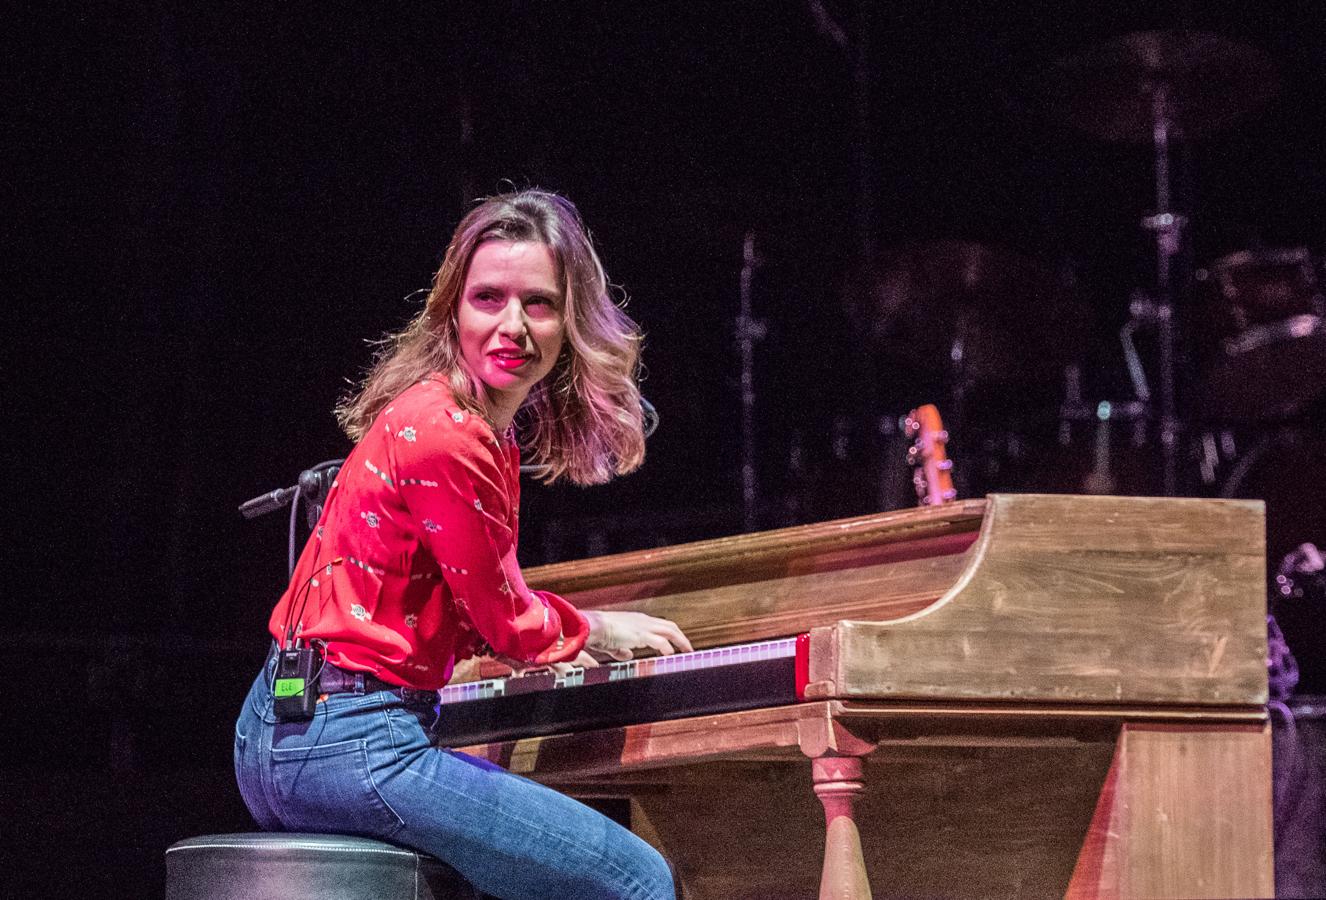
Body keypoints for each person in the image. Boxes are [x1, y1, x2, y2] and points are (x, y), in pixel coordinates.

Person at [234, 189, 692, 899]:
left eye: (538, 304)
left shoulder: (449, 414)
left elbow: (454, 613)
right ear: (452, 308)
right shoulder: (450, 432)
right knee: (637, 879)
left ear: (570, 323)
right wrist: (599, 629)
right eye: (489, 299)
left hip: (287, 727)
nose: (514, 325)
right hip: (352, 744)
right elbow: (506, 622)